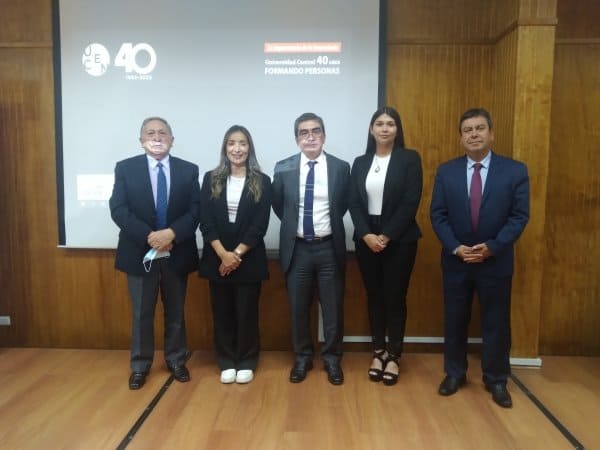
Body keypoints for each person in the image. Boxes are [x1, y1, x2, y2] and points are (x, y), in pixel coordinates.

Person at [430, 108, 529, 408]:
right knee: (455, 320)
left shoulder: (515, 171)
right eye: (468, 130)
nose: (474, 134)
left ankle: (496, 379)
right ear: (461, 138)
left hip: (495, 261)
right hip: (456, 261)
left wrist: (493, 247)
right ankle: (454, 373)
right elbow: (438, 215)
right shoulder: (446, 171)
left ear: (491, 133)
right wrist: (456, 247)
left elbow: (519, 216)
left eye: (480, 128)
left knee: (496, 322)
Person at [109, 117, 201, 390]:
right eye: (151, 133)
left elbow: (196, 210)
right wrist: (150, 237)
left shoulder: (188, 170)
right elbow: (118, 208)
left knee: (176, 312)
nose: (157, 137)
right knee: (141, 313)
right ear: (141, 141)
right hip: (140, 252)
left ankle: (176, 360)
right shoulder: (125, 168)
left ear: (172, 139)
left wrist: (171, 234)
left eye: (163, 133)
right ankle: (140, 365)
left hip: (176, 252)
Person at [272, 112, 350, 385]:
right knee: (298, 308)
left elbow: (343, 204)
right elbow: (280, 206)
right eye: (304, 132)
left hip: (329, 247)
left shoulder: (341, 168)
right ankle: (302, 358)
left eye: (316, 131)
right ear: (297, 139)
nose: (310, 137)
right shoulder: (283, 168)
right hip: (298, 249)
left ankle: (332, 360)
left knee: (332, 309)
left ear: (324, 135)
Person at [349, 106, 422, 386]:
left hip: (400, 239)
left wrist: (387, 235)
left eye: (390, 124)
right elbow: (353, 202)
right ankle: (378, 352)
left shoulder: (409, 159)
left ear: (397, 129)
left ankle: (394, 355)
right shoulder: (360, 162)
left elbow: (411, 201)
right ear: (371, 129)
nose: (384, 128)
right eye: (379, 123)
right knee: (374, 296)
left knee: (395, 297)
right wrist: (366, 234)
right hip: (366, 238)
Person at [198, 125, 271, 384]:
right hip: (216, 258)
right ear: (225, 148)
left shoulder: (262, 181)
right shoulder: (211, 178)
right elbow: (205, 221)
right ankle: (226, 360)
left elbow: (260, 225)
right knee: (222, 312)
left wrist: (235, 255)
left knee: (247, 313)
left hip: (248, 259)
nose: (236, 148)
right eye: (231, 143)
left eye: (242, 143)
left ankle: (247, 360)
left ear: (249, 147)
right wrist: (222, 254)